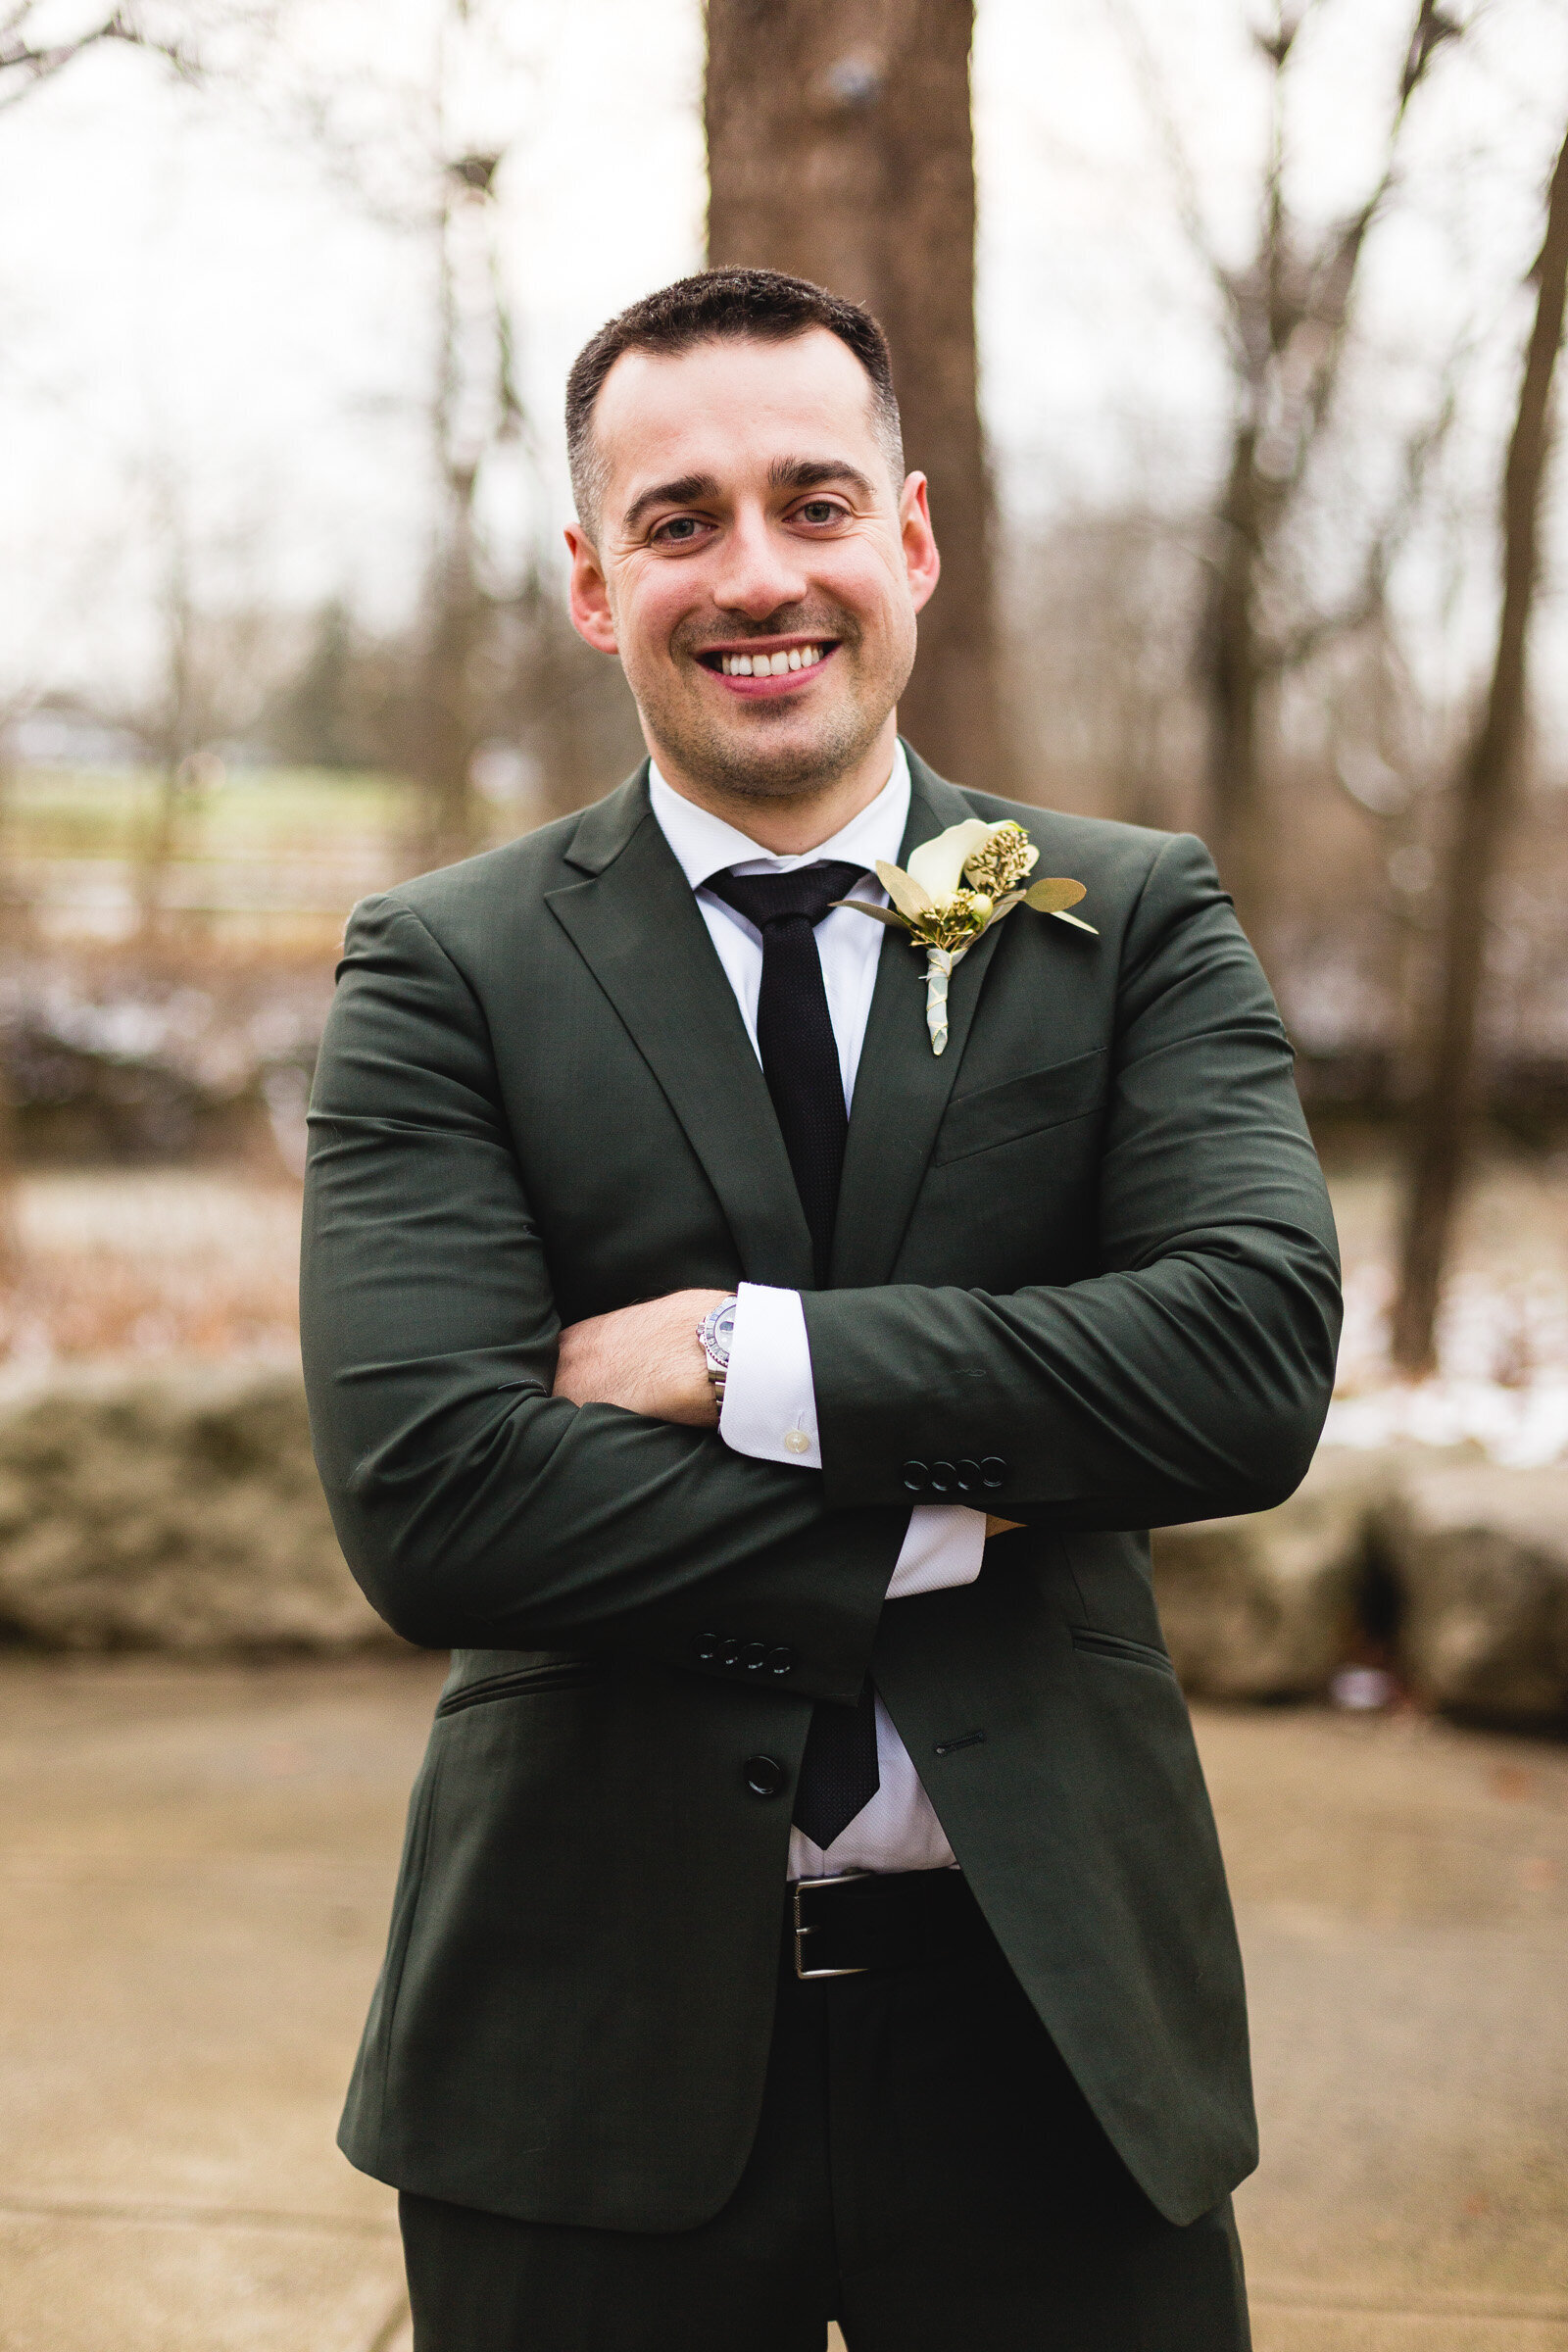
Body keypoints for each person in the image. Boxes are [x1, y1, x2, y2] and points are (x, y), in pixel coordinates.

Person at [301, 267, 1341, 2350]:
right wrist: (968, 1500)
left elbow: (1239, 1365)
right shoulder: (444, 966)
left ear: (912, 539)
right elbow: (438, 1503)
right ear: (595, 586)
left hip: (1057, 2037)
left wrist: (730, 1360)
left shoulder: (1124, 918)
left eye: (812, 500)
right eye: (678, 522)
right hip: (580, 2038)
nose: (755, 573)